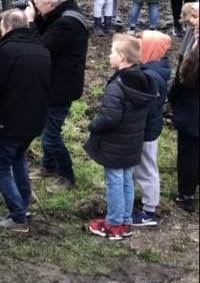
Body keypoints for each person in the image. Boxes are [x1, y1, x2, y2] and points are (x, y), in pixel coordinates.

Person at [0, 11, 52, 233]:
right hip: (35, 120)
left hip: (10, 121)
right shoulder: (42, 51)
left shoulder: (6, 50)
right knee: (18, 157)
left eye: (1, 27)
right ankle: (23, 205)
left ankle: (18, 218)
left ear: (8, 28)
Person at [85, 35, 156, 241]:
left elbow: (110, 117)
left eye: (112, 52)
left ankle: (114, 225)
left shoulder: (117, 85)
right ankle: (125, 221)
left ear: (122, 57)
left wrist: (92, 125)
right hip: (132, 142)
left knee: (115, 181)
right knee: (126, 180)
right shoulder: (143, 80)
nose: (109, 55)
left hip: (115, 143)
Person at [26, 0, 89, 193]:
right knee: (46, 127)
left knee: (50, 134)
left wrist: (31, 22)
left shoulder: (68, 23)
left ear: (49, 3)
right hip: (53, 82)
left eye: (36, 2)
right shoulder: (61, 12)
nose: (33, 5)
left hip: (61, 87)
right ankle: (48, 166)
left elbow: (40, 47)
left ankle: (67, 175)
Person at [132, 31, 172, 227]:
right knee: (138, 166)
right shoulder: (153, 70)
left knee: (147, 169)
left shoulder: (150, 77)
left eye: (140, 47)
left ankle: (149, 212)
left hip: (145, 130)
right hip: (147, 128)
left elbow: (145, 108)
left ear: (150, 49)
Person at [169, 42, 199, 212]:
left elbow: (175, 92)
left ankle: (186, 197)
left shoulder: (189, 67)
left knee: (188, 158)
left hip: (190, 121)